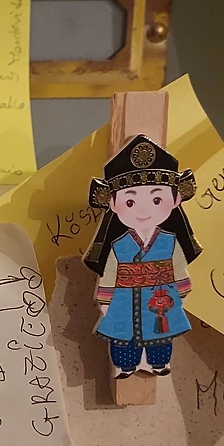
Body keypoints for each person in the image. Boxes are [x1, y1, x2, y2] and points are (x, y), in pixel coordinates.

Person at [82, 134, 203, 378]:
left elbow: (179, 268)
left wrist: (181, 293)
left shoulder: (169, 242)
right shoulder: (119, 245)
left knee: (160, 333)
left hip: (161, 296)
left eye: (157, 199)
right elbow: (110, 273)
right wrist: (106, 301)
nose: (144, 210)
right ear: (113, 204)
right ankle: (126, 365)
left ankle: (158, 363)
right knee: (123, 334)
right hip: (123, 297)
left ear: (176, 199)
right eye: (130, 202)